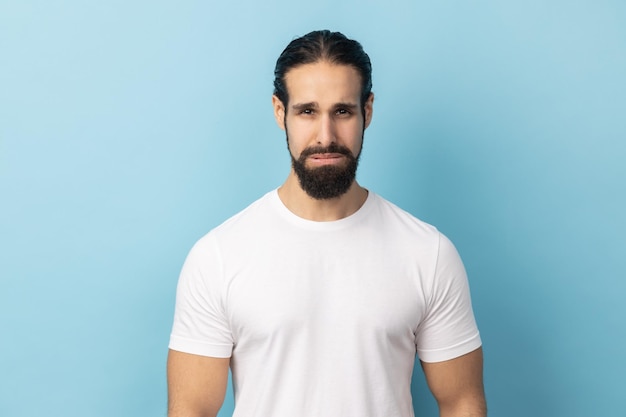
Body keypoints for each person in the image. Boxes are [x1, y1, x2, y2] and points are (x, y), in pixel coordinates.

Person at [167, 30, 486, 417]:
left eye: (342, 111)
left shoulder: (428, 253)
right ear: (279, 111)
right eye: (307, 111)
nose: (326, 136)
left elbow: (461, 402)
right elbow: (191, 409)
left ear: (367, 111)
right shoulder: (218, 257)